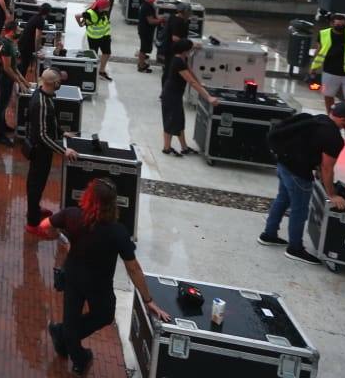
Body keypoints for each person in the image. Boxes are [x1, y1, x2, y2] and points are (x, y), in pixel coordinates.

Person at [39, 179, 172, 375]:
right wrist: (148, 300)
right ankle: (74, 351)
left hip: (73, 278)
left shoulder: (72, 215)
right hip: (99, 286)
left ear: (88, 198)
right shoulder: (118, 232)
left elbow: (44, 226)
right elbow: (133, 268)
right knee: (103, 315)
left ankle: (68, 342)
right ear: (112, 205)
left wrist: (60, 237)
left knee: (71, 319)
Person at [259, 101, 345, 264]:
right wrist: (332, 195)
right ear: (344, 119)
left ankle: (269, 234)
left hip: (283, 164)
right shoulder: (334, 138)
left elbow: (309, 145)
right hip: (298, 174)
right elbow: (327, 168)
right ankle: (295, 249)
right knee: (299, 210)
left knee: (282, 199)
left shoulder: (319, 119)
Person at [24, 69, 80, 232]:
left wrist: (62, 132)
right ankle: (33, 223)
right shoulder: (41, 103)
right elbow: (42, 136)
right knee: (35, 184)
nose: (60, 83)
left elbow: (50, 122)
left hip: (42, 149)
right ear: (53, 83)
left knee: (38, 184)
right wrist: (64, 150)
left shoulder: (44, 95)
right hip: (40, 151)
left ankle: (34, 210)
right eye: (58, 81)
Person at [160, 39, 220, 155]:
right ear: (185, 51)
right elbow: (191, 82)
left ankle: (184, 147)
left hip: (176, 94)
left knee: (179, 120)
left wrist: (200, 82)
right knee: (170, 120)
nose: (192, 50)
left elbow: (190, 72)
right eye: (190, 49)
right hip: (170, 95)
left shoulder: (183, 58)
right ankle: (166, 148)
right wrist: (208, 97)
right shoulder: (178, 61)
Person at [311, 13, 345, 130]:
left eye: (343, 25)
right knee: (328, 95)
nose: (341, 27)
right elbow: (319, 51)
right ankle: (331, 117)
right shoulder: (323, 34)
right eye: (338, 25)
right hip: (329, 71)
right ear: (331, 24)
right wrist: (313, 68)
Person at [0, 19, 23, 146]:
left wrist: (24, 81)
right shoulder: (6, 45)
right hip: (4, 78)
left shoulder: (10, 42)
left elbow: (14, 66)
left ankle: (3, 125)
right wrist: (19, 82)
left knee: (4, 104)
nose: (20, 31)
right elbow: (7, 67)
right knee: (2, 104)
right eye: (18, 29)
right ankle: (0, 135)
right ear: (11, 31)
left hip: (8, 78)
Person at [75, 0, 113, 81]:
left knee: (107, 53)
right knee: (92, 56)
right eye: (108, 6)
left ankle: (101, 72)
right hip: (94, 38)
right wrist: (80, 24)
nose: (109, 7)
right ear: (101, 7)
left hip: (105, 36)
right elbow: (77, 16)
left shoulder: (102, 10)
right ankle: (90, 73)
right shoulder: (90, 13)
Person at [136, 0, 163, 73]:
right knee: (143, 49)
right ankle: (141, 66)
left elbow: (154, 16)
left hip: (145, 30)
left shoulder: (149, 5)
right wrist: (161, 20)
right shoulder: (146, 7)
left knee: (145, 48)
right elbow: (151, 21)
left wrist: (159, 18)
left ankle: (142, 63)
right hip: (145, 30)